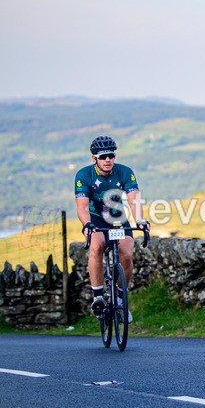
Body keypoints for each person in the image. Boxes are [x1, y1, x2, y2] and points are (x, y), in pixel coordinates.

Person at [74, 136, 149, 322]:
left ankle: (120, 298)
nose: (108, 160)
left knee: (126, 254)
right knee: (97, 246)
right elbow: (82, 206)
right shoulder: (84, 175)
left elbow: (133, 198)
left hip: (117, 219)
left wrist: (139, 219)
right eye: (103, 156)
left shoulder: (125, 172)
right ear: (94, 159)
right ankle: (98, 296)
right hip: (96, 220)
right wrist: (87, 224)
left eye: (111, 155)